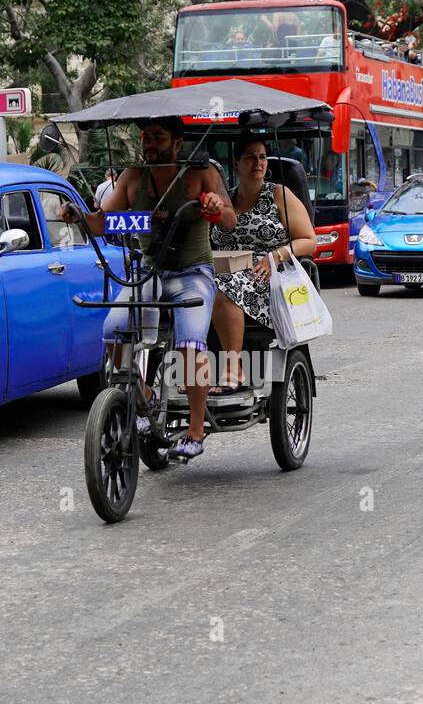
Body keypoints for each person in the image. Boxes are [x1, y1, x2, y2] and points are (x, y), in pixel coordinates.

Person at [58, 117, 235, 460]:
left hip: (192, 273)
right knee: (112, 333)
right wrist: (78, 215)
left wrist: (214, 205)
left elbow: (229, 219)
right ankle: (146, 398)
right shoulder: (132, 178)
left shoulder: (201, 173)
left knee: (190, 343)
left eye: (158, 137)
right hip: (148, 271)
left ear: (177, 144)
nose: (150, 143)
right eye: (146, 137)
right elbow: (99, 223)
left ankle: (196, 431)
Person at [208, 136, 316, 392]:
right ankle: (193, 371)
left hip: (267, 271)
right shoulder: (225, 201)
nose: (257, 163)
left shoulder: (278, 194)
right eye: (250, 157)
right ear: (236, 164)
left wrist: (276, 255)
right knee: (191, 285)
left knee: (222, 286)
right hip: (226, 264)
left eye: (262, 157)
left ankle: (234, 368)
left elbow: (309, 240)